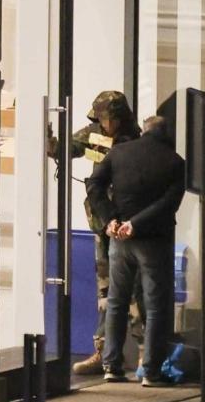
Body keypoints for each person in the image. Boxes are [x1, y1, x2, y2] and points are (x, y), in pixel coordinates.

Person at [86, 93, 187, 387]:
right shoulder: (175, 162)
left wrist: (111, 220)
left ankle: (112, 365)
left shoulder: (119, 153)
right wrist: (136, 224)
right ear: (167, 135)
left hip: (119, 240)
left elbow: (94, 184)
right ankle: (151, 371)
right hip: (153, 241)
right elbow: (169, 203)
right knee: (154, 307)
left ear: (144, 130)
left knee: (116, 302)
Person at [50, 91, 142, 374]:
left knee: (134, 290)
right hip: (102, 223)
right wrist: (48, 139)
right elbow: (64, 149)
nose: (105, 124)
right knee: (105, 291)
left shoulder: (136, 141)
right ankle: (102, 352)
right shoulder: (94, 133)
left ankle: (144, 354)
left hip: (126, 226)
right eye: (101, 119)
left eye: (108, 119)